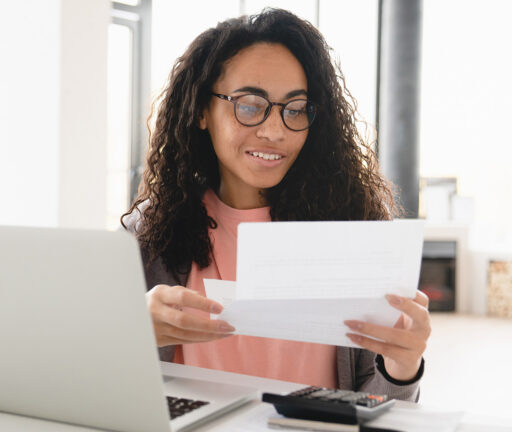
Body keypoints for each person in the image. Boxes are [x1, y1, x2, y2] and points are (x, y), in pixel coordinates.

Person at [122, 8, 430, 401]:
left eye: (295, 109)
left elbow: (378, 406)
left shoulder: (355, 230)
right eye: (250, 105)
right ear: (202, 110)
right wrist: (128, 331)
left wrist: (403, 367)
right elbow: (94, 384)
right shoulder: (149, 234)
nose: (274, 131)